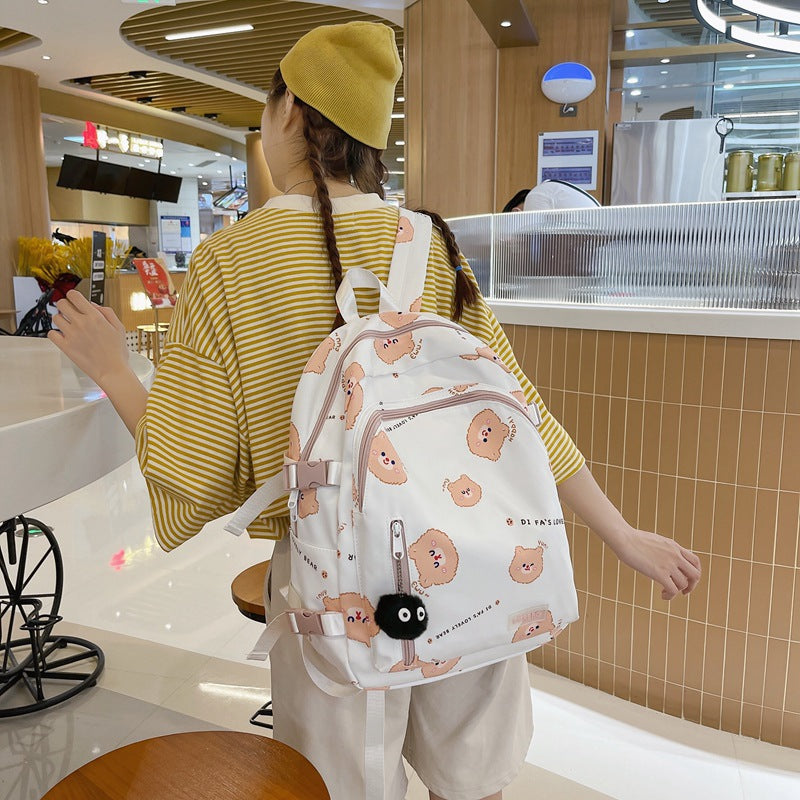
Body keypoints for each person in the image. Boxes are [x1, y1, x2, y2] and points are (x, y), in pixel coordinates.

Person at [48, 22, 701, 800]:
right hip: (469, 559)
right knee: (474, 782)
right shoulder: (431, 242)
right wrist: (622, 535)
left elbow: (196, 473)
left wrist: (114, 370)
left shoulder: (232, 260)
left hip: (330, 582)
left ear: (289, 112)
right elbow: (519, 416)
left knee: (344, 786)